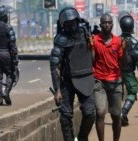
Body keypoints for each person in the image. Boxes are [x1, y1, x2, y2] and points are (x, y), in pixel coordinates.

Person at [50, 7, 95, 141]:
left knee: (90, 113)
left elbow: (93, 57)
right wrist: (57, 89)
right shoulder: (61, 39)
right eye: (67, 24)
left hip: (86, 77)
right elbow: (55, 66)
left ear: (77, 21)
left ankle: (82, 138)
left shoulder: (86, 32)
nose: (71, 26)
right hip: (68, 81)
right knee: (65, 117)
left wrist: (91, 45)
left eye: (72, 23)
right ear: (63, 25)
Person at [92, 13, 123, 141]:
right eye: (104, 22)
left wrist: (125, 50)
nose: (106, 25)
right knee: (100, 113)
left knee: (116, 115)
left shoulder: (118, 41)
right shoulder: (94, 40)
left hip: (115, 82)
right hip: (99, 81)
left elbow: (123, 62)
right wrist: (91, 48)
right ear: (100, 25)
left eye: (109, 22)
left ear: (112, 24)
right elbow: (91, 60)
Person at [118, 13, 138, 126]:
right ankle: (123, 113)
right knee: (133, 93)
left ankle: (118, 115)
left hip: (116, 73)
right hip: (129, 72)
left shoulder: (116, 40)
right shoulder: (135, 42)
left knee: (116, 95)